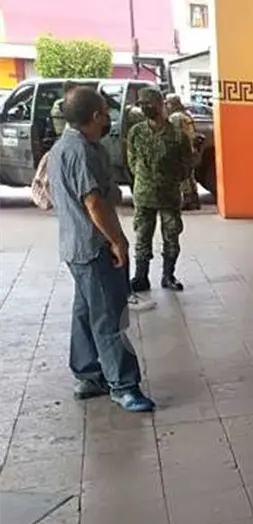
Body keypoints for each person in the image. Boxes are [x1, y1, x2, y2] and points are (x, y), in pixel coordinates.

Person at [45, 86, 155, 413]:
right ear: (95, 116)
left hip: (74, 247)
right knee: (109, 315)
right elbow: (93, 203)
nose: (108, 119)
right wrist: (117, 241)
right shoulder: (78, 151)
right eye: (106, 114)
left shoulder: (61, 148)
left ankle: (89, 374)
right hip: (93, 247)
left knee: (85, 311)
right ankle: (124, 386)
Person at [128, 88, 192, 292]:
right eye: (142, 104)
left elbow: (186, 166)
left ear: (160, 104)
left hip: (169, 195)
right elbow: (131, 160)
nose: (145, 107)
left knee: (171, 236)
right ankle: (141, 277)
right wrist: (144, 178)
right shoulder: (136, 132)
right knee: (142, 236)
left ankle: (168, 275)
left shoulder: (177, 135)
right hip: (143, 194)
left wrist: (170, 179)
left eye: (149, 103)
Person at [164, 94, 201, 211]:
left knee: (182, 176)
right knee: (190, 175)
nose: (166, 106)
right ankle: (194, 200)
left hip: (180, 150)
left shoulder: (175, 117)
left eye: (168, 103)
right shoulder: (186, 115)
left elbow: (173, 135)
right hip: (191, 149)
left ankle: (187, 200)